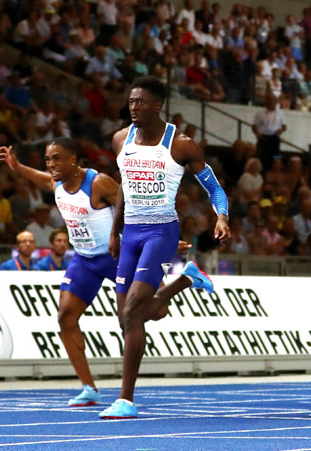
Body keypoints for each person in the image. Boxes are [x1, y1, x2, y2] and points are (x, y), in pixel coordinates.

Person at [103, 76, 230, 419]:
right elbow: (123, 187)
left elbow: (215, 189)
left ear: (158, 105)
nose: (134, 107)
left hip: (161, 232)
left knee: (132, 313)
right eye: (131, 101)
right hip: (130, 233)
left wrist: (222, 217)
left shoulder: (181, 144)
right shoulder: (120, 139)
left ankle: (126, 399)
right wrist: (115, 233)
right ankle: (185, 280)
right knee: (133, 317)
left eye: (141, 102)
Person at [0, 137, 119, 407]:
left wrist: (154, 238)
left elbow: (129, 205)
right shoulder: (57, 184)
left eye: (56, 158)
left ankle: (184, 279)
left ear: (73, 159)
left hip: (114, 256)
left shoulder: (98, 182)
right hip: (84, 260)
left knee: (149, 313)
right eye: (48, 158)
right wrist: (17, 167)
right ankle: (89, 388)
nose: (51, 164)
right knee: (65, 317)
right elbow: (43, 179)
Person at [252, 93, 286, 171]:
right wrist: (257, 133)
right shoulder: (260, 113)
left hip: (275, 138)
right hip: (263, 138)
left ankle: (276, 171)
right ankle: (261, 172)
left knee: (276, 157)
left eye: (273, 101)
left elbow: (284, 126)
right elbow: (254, 126)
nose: (271, 103)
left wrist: (281, 130)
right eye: (269, 101)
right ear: (266, 102)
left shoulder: (280, 113)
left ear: (275, 102)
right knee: (262, 157)